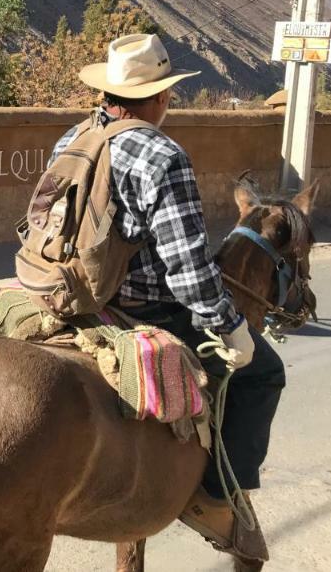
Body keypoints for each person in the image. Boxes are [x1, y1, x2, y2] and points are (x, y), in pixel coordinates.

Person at [51, 33, 281, 562]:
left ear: (109, 92)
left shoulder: (73, 138)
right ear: (160, 97)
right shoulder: (163, 154)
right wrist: (229, 326)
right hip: (145, 307)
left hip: (72, 296)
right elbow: (187, 268)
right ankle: (217, 496)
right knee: (264, 372)